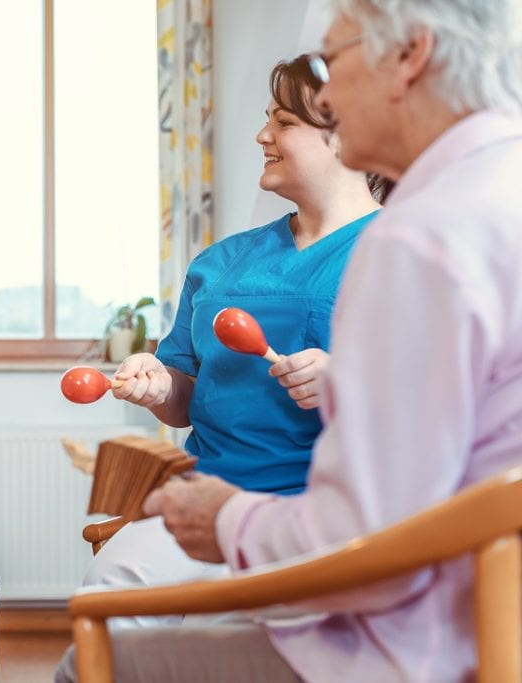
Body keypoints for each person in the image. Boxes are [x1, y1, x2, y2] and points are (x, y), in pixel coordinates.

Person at [64, 0, 522, 680]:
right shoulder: (494, 191)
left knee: (90, 659)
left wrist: (227, 520)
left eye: (333, 61)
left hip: (412, 642)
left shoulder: (418, 236)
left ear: (410, 55)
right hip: (467, 613)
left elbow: (366, 550)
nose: (329, 94)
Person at [79, 55, 387, 605]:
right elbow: (183, 398)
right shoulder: (220, 263)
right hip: (205, 498)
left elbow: (436, 402)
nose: (262, 135)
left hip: (322, 513)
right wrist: (159, 385)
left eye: (285, 123)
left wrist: (349, 381)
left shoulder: (397, 252)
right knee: (108, 594)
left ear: (345, 135)